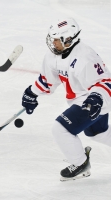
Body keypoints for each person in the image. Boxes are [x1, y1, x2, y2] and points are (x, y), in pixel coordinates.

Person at [21, 17, 111, 181]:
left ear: (68, 40)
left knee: (60, 129)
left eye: (56, 40)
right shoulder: (52, 56)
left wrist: (96, 99)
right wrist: (32, 93)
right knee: (97, 133)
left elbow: (105, 82)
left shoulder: (85, 58)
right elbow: (48, 80)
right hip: (82, 100)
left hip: (93, 101)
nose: (52, 43)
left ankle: (80, 164)